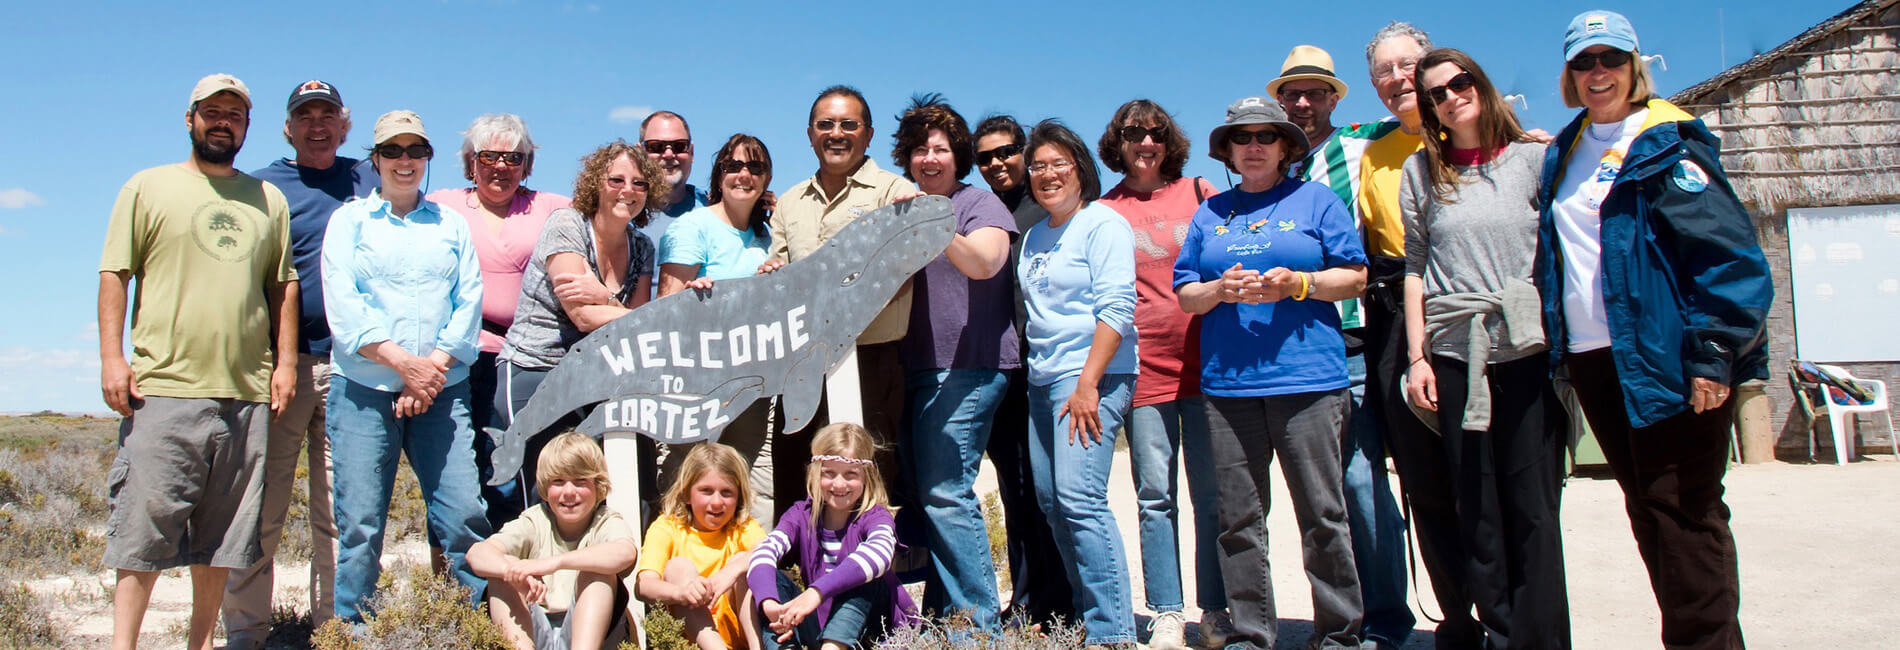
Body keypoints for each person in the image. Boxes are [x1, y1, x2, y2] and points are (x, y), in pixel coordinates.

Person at [1536, 11, 1770, 649]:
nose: (1597, 73)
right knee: (1648, 510)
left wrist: (1714, 354)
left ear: (1635, 65)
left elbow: (1729, 258)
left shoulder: (1669, 140)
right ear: (1569, 73)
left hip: (1667, 355)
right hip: (1594, 358)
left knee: (1685, 511)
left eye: (1610, 59)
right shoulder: (1564, 149)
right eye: (1583, 62)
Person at [97, 73, 296, 650]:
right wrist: (112, 359)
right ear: (190, 119)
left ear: (247, 126)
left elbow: (282, 286)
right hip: (164, 387)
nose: (222, 121)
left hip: (245, 392)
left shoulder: (267, 199)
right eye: (211, 111)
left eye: (233, 114)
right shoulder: (148, 187)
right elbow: (115, 274)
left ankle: (198, 643)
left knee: (225, 538)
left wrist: (284, 364)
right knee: (141, 534)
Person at [1171, 96, 1368, 650]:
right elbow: (1186, 295)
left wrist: (1297, 284)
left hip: (1309, 382)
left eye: (1265, 136)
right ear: (1228, 151)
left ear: (1285, 148)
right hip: (1228, 387)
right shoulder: (1210, 213)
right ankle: (1253, 635)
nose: (1253, 146)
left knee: (1323, 516)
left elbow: (1354, 277)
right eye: (1241, 138)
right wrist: (1217, 290)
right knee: (1239, 520)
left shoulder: (1317, 201)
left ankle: (1339, 635)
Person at [1402, 48, 1569, 648]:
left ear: (1482, 84)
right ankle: (1498, 637)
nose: (1451, 97)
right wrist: (1418, 356)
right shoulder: (1422, 173)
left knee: (1533, 512)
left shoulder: (1536, 159)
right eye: (1436, 94)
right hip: (1454, 355)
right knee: (1478, 512)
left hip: (1526, 353)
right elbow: (1416, 267)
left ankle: (1542, 639)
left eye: (1460, 83)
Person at [1266, 46, 1415, 646]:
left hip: (1351, 337)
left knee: (1359, 482)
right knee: (1317, 494)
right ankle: (1345, 619)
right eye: (1293, 93)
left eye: (1316, 92)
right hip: (1285, 351)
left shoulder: (1361, 146)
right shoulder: (1271, 167)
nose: (1303, 103)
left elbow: (1416, 122)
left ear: (1334, 99)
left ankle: (1387, 621)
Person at [323, 110, 490, 621]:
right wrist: (403, 365)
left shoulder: (451, 225)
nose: (404, 161)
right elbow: (345, 307)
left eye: (415, 151)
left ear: (428, 160)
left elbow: (469, 303)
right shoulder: (348, 222)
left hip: (443, 391)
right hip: (363, 390)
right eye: (392, 151)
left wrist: (429, 372)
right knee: (361, 526)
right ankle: (353, 632)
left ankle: (477, 627)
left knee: (463, 517)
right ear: (375, 160)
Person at [225, 78, 376, 646]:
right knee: (262, 505)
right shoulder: (263, 187)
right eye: (305, 116)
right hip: (280, 368)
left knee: (342, 510)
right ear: (288, 127)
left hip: (352, 367)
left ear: (345, 124)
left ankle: (333, 628)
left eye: (327, 115)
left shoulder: (370, 176)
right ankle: (246, 631)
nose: (317, 125)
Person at [1354, 21, 1482, 646]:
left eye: (1411, 65)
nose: (1399, 79)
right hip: (1394, 320)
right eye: (1385, 70)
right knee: (1423, 480)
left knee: (1480, 473)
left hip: (1469, 311)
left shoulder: (1476, 135)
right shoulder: (1373, 153)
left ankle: (1506, 615)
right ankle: (1456, 620)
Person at [1093, 98, 1224, 650]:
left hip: (1211, 366)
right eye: (1133, 133)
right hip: (1144, 370)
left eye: (1155, 133)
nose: (1145, 143)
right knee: (1154, 494)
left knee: (1215, 495)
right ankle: (1167, 612)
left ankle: (1217, 608)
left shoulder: (1200, 194)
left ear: (1169, 141)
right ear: (1117, 143)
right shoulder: (1104, 210)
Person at [887, 96, 1017, 629]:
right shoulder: (902, 206)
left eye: (940, 148)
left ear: (958, 156)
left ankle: (976, 627)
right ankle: (946, 615)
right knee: (929, 495)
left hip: (970, 366)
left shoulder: (977, 206)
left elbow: (986, 262)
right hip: (915, 368)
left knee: (947, 493)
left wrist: (933, 225)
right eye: (919, 150)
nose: (930, 158)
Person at [765, 85, 919, 524]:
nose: (837, 133)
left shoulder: (894, 192)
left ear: (868, 134)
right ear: (810, 134)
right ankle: (795, 582)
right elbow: (779, 273)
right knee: (798, 479)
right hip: (803, 365)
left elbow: (903, 272)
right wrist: (773, 273)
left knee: (869, 480)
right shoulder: (790, 202)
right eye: (826, 124)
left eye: (849, 125)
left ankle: (867, 584)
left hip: (873, 360)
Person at [1016, 119, 1140, 649]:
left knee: (1080, 498)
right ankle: (1089, 616)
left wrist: (1088, 383)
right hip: (1042, 380)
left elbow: (1117, 307)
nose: (1047, 174)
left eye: (1058, 164)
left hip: (1091, 375)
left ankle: (1113, 633)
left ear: (1080, 169)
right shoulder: (1035, 235)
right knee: (1050, 501)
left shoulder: (1102, 224)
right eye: (1038, 166)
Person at [494, 140, 662, 488]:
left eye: (639, 183)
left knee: (602, 488)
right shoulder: (566, 225)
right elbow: (584, 317)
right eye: (616, 180)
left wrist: (604, 297)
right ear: (595, 183)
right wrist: (632, 314)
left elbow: (641, 323)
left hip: (597, 376)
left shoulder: (642, 246)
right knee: (546, 491)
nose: (627, 191)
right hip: (536, 369)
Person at [970, 114, 1075, 627]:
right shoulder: (980, 211)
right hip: (1000, 372)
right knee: (1015, 488)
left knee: (1058, 492)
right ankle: (1033, 602)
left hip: (1051, 369)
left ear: (1024, 149)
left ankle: (1069, 600)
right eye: (985, 157)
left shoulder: (1048, 208)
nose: (996, 164)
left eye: (1006, 152)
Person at [654, 133, 777, 522]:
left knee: (755, 490)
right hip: (694, 380)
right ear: (718, 176)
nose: (744, 174)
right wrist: (693, 301)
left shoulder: (767, 236)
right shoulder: (693, 227)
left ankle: (753, 576)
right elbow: (664, 307)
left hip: (753, 380)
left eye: (754, 167)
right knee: (686, 486)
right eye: (733, 166)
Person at [746, 423, 919, 649]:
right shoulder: (801, 514)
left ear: (867, 476)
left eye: (850, 475)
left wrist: (816, 593)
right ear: (816, 473)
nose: (839, 484)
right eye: (829, 473)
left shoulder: (876, 516)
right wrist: (769, 603)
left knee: (862, 576)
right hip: (821, 625)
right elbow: (765, 552)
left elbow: (880, 555)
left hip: (875, 632)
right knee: (769, 582)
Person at [469, 432, 639, 650]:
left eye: (580, 481)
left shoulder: (606, 521)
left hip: (589, 637)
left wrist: (552, 563)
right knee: (501, 575)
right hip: (533, 629)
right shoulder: (534, 520)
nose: (569, 492)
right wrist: (512, 571)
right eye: (558, 482)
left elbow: (625, 553)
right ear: (545, 489)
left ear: (598, 486)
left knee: (596, 571)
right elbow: (477, 554)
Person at [636, 443, 766, 650]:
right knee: (678, 567)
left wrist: (732, 571)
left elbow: (771, 551)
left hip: (739, 636)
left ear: (739, 496)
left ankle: (759, 647)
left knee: (750, 563)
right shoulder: (667, 527)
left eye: (726, 493)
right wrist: (681, 592)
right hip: (690, 639)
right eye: (706, 491)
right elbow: (644, 586)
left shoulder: (743, 526)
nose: (716, 502)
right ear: (687, 493)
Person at [639, 110, 711, 271]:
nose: (669, 154)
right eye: (656, 146)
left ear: (691, 152)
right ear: (640, 153)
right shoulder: (620, 212)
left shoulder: (715, 208)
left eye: (679, 146)